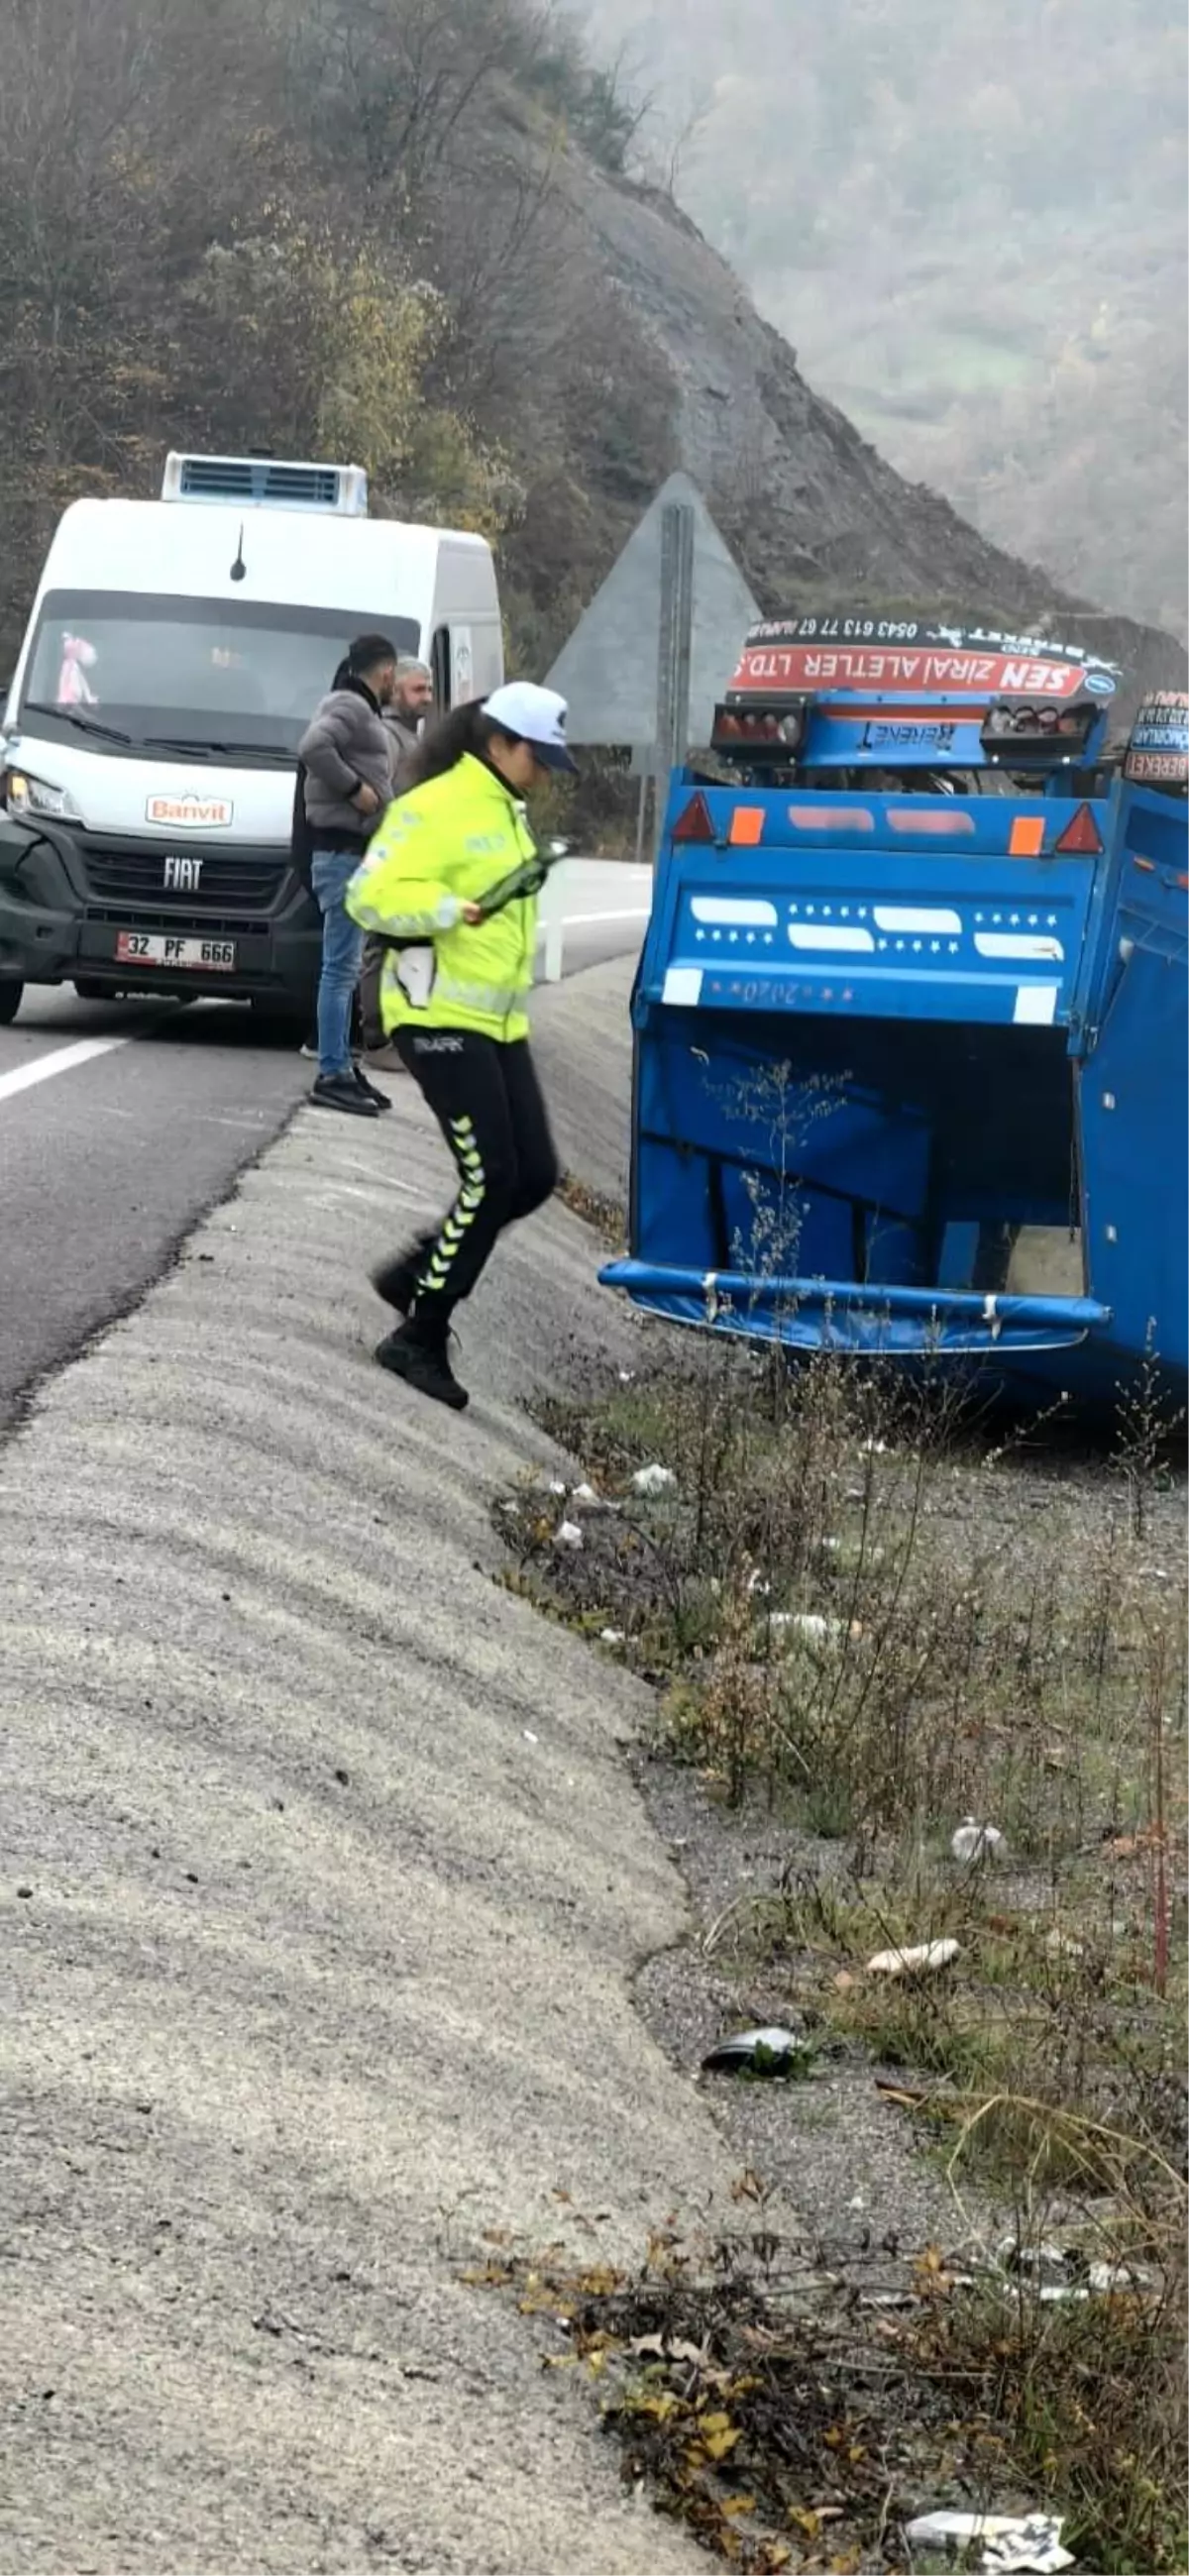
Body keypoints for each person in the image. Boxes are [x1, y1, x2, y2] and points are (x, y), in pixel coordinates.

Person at [345, 682, 576, 1411]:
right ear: (500, 743)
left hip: (495, 1025)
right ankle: (420, 1331)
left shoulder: (509, 815)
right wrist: (447, 909)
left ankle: (417, 1273)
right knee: (491, 1177)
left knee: (534, 1173)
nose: (543, 773)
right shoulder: (435, 806)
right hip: (434, 1013)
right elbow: (367, 895)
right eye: (537, 757)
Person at [297, 636, 399, 1117]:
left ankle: (342, 1063)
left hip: (352, 854)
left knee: (347, 966)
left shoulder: (353, 706)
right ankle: (331, 1071)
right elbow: (314, 746)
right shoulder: (350, 706)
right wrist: (357, 789)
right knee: (339, 969)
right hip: (340, 854)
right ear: (385, 673)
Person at [360, 655, 435, 1065]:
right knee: (379, 946)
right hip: (389, 859)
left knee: (404, 945)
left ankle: (398, 1034)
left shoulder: (412, 738)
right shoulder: (388, 737)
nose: (426, 697)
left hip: (411, 862)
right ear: (396, 691)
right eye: (417, 689)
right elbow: (378, 797)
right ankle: (376, 1039)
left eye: (428, 689)